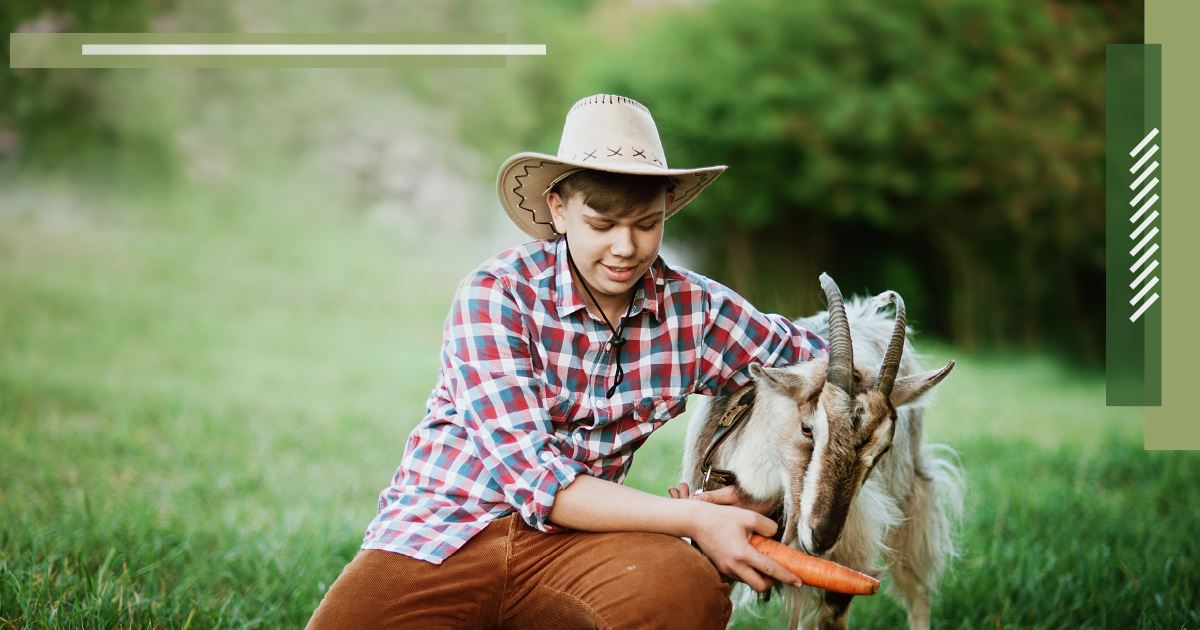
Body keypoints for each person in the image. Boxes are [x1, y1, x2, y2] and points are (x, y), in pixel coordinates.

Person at [306, 94, 828, 629]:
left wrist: (766, 495)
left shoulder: (696, 312)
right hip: (446, 531)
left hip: (583, 544)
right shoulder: (496, 293)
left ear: (667, 207)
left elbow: (827, 369)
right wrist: (689, 518)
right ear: (558, 208)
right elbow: (535, 478)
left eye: (646, 223)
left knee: (683, 587)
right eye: (602, 225)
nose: (626, 247)